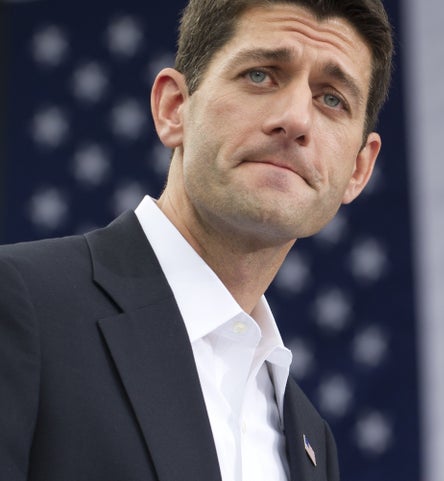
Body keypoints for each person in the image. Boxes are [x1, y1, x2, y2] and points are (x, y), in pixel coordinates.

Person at [0, 0, 394, 480]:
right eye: (261, 75)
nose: (295, 119)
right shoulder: (22, 302)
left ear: (358, 170)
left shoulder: (312, 440)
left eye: (332, 98)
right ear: (174, 108)